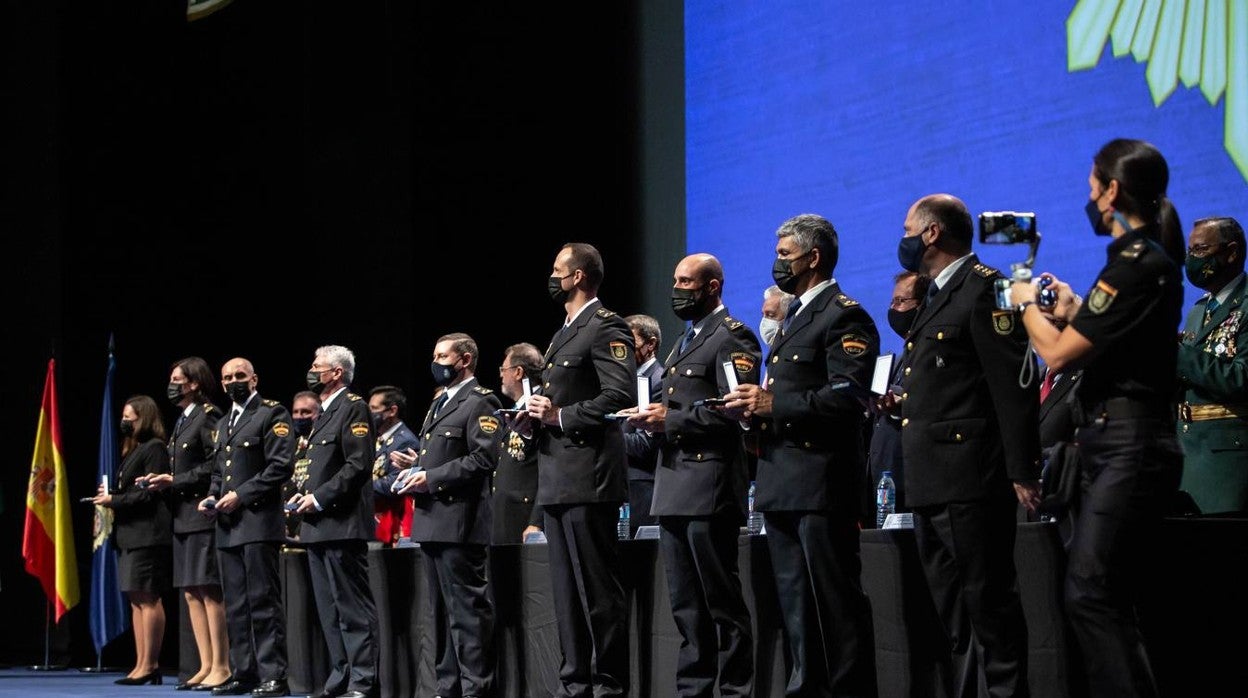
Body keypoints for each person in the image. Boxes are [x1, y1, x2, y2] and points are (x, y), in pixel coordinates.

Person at [1010, 138, 1186, 697]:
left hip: (1128, 443)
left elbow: (1058, 356)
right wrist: (1074, 311)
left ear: (1112, 191)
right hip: (1118, 441)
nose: (1089, 197)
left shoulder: (1137, 263)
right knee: (1107, 596)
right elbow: (1119, 342)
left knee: (1089, 592)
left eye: (1092, 186)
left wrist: (1021, 299)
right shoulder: (1139, 263)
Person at [721, 214, 878, 696]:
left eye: (785, 255)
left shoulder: (844, 314)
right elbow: (787, 397)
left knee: (835, 607)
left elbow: (849, 397)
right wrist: (755, 415)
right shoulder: (793, 319)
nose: (777, 264)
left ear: (813, 258)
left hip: (820, 484)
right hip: (782, 481)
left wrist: (774, 405)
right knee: (796, 611)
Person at [892, 194, 1040, 698]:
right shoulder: (934, 294)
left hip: (971, 479)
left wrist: (1023, 469)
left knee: (990, 608)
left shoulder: (989, 288)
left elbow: (1012, 383)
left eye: (909, 228)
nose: (904, 237)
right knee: (957, 617)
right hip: (932, 479)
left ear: (931, 234)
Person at [625, 252, 759, 697]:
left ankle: (734, 691)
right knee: (686, 609)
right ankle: (693, 691)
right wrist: (643, 417)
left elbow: (737, 411)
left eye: (687, 282)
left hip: (709, 485)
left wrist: (671, 420)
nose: (678, 289)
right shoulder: (685, 342)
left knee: (722, 604)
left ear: (713, 287)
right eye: (676, 280)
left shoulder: (733, 337)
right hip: (673, 486)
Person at [514, 241, 635, 697]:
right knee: (566, 596)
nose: (552, 277)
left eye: (557, 270)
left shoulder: (606, 326)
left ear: (579, 276)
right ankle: (575, 683)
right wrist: (532, 419)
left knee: (598, 595)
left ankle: (607, 685)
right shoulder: (564, 331)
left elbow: (619, 396)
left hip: (589, 477)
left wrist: (559, 416)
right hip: (557, 478)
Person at [394, 332, 501, 698]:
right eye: (435, 354)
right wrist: (416, 468)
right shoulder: (440, 402)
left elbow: (484, 458)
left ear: (465, 360)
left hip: (460, 522)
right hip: (431, 521)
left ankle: (476, 689)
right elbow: (443, 454)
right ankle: (447, 687)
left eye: (443, 356)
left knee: (467, 614)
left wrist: (432, 477)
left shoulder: (480, 402)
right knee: (438, 614)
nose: (436, 362)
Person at [288, 345, 379, 698]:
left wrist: (320, 497)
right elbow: (319, 469)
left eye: (317, 366)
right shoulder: (324, 413)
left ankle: (363, 680)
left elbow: (357, 466)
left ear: (336, 373)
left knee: (351, 608)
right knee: (329, 611)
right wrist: (303, 495)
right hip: (317, 527)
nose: (312, 371)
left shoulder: (352, 407)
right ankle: (340, 676)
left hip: (342, 523)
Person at [201, 358, 293, 697]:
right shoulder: (224, 422)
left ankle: (274, 675)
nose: (233, 382)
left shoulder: (272, 414)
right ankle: (244, 672)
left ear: (254, 379)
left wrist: (240, 495)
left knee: (262, 601)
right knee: (236, 604)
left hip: (257, 522)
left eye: (240, 376)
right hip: (227, 525)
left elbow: (280, 466)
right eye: (227, 378)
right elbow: (217, 472)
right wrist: (211, 497)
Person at [144, 357, 230, 689]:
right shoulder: (184, 418)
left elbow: (216, 463)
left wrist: (175, 479)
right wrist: (164, 480)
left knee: (209, 591)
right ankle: (205, 664)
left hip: (200, 513)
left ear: (194, 383)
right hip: (181, 515)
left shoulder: (209, 416)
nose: (172, 384)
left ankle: (222, 664)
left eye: (178, 378)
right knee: (191, 593)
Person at [93, 394, 172, 686]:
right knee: (136, 599)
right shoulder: (134, 449)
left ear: (145, 418)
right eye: (124, 417)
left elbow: (150, 492)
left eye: (131, 417)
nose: (125, 422)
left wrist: (115, 499)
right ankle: (141, 662)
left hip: (148, 533)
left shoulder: (155, 449)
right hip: (130, 534)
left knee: (148, 597)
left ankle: (150, 664)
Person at [1176, 216, 1248, 515]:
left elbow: (1241, 378)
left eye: (1201, 250)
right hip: (1189, 455)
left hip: (1228, 459)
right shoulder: (1198, 310)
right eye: (1189, 251)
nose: (1191, 259)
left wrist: (1177, 354)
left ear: (1230, 252)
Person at [865, 270, 931, 523]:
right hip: (885, 484)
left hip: (912, 481)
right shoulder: (900, 358)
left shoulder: (930, 353)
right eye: (892, 302)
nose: (893, 309)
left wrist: (901, 402)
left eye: (901, 302)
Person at [492, 342, 544, 545]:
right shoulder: (518, 407)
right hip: (506, 514)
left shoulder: (539, 406)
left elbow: (549, 468)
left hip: (525, 516)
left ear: (518, 372)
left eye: (503, 370)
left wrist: (536, 521)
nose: (500, 375)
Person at [623, 313, 664, 529]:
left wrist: (607, 437)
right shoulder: (628, 381)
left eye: (630, 343)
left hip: (643, 488)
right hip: (624, 487)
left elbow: (646, 444)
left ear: (650, 345)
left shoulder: (658, 382)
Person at [367, 385, 418, 546]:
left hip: (391, 522)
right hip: (374, 518)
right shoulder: (377, 438)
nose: (369, 413)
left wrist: (359, 489)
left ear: (392, 411)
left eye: (374, 408)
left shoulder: (405, 441)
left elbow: (395, 482)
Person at [283, 391, 321, 542]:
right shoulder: (291, 446)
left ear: (319, 413)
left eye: (306, 412)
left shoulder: (324, 446)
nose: (299, 416)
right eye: (296, 412)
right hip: (289, 525)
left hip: (313, 524)